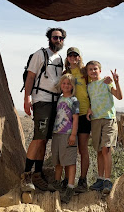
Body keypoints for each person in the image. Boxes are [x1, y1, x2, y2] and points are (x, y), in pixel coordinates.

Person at [20, 28, 66, 192]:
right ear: (49, 38)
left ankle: (37, 174)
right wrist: (27, 98)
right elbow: (31, 76)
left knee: (45, 139)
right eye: (55, 37)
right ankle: (26, 175)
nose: (58, 40)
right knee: (39, 137)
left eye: (61, 38)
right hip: (41, 100)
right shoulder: (40, 54)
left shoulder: (60, 59)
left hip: (55, 102)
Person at [85, 61, 122, 195]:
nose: (93, 71)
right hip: (95, 120)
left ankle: (107, 179)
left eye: (95, 69)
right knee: (99, 151)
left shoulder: (107, 82)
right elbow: (90, 101)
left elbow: (119, 96)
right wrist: (89, 109)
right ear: (88, 72)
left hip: (108, 119)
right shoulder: (88, 86)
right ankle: (100, 179)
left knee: (106, 149)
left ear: (100, 70)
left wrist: (116, 82)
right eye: (90, 69)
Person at [48, 73, 79, 203]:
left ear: (72, 86)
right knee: (58, 160)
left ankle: (70, 188)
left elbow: (76, 118)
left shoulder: (74, 100)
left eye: (68, 83)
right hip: (57, 133)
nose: (66, 85)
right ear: (61, 85)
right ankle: (57, 182)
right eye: (64, 83)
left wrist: (73, 134)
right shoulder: (59, 99)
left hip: (68, 133)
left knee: (70, 161)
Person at [63, 47, 91, 193]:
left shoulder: (85, 72)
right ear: (67, 58)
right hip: (69, 115)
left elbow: (92, 88)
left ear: (79, 57)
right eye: (70, 55)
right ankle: (68, 179)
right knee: (69, 148)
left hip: (84, 113)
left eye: (75, 55)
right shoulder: (65, 74)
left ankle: (83, 179)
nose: (73, 58)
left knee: (83, 148)